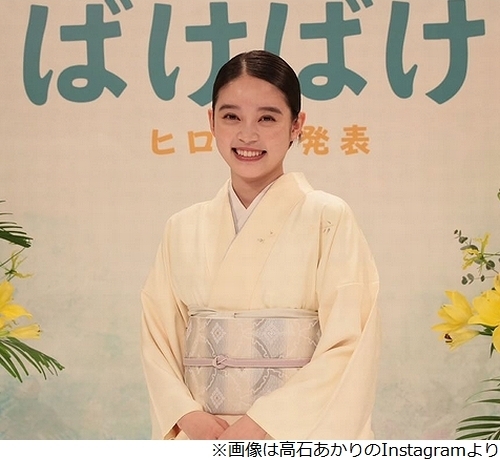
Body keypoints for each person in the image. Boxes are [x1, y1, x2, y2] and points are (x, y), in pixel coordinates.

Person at [141, 50, 380, 440]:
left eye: (267, 118)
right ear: (211, 121)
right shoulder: (181, 228)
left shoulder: (328, 218)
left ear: (296, 125)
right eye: (231, 116)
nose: (247, 135)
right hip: (202, 434)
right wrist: (187, 415)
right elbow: (158, 340)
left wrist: (263, 425)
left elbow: (348, 343)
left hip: (293, 435)